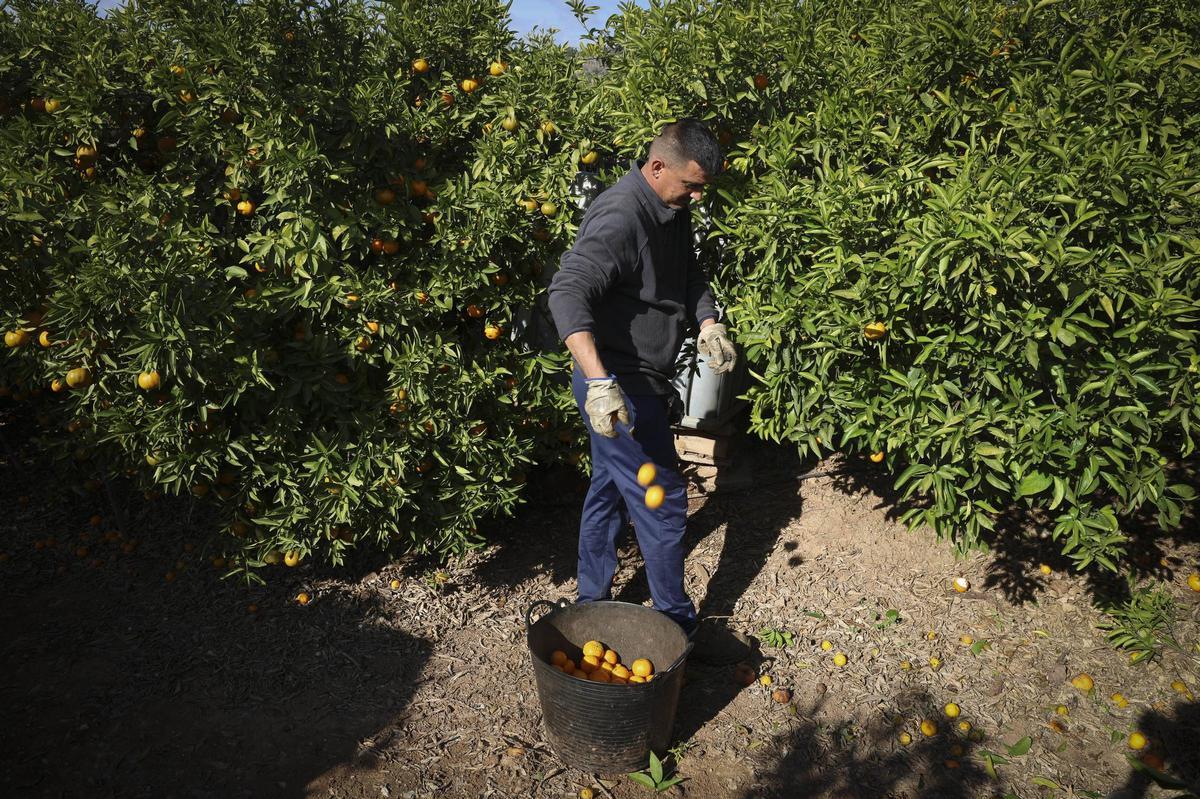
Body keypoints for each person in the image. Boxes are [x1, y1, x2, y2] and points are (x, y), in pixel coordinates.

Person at [547, 118, 738, 637]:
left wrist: (708, 322)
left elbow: (689, 274)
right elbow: (567, 293)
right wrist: (600, 384)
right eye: (691, 185)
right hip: (615, 385)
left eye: (702, 188)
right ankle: (678, 624)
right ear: (657, 168)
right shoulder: (621, 214)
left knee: (609, 490)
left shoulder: (670, 210)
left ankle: (590, 602)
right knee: (663, 497)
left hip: (646, 383)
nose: (697, 197)